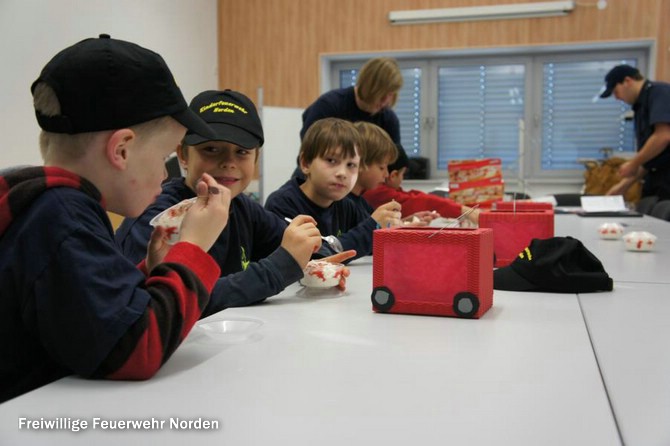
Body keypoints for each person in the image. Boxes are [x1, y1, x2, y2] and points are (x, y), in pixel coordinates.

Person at [0, 34, 234, 403]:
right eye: (163, 158)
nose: (165, 174)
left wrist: (155, 272)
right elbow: (134, 348)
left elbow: (86, 315)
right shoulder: (61, 218)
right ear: (122, 150)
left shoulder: (47, 204)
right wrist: (192, 249)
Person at [116, 89, 351, 311]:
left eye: (242, 152)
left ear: (256, 159)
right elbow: (172, 307)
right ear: (183, 155)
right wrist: (281, 267)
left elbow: (298, 248)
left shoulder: (243, 207)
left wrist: (317, 262)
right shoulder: (158, 220)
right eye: (211, 149)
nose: (229, 162)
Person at [265, 118, 402, 260]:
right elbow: (311, 260)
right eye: (331, 161)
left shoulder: (346, 205)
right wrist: (372, 227)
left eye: (351, 165)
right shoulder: (282, 204)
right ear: (305, 163)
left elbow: (373, 246)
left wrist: (390, 227)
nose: (342, 173)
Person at [292, 57, 404, 180]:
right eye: (383, 94)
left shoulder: (388, 119)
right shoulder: (329, 105)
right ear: (370, 86)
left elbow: (394, 162)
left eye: (391, 94)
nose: (386, 100)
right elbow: (310, 152)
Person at [363, 143, 480, 225]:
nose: (385, 174)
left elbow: (409, 195)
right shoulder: (375, 191)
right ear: (393, 175)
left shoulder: (378, 190)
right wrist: (461, 209)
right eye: (402, 174)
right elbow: (414, 200)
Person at [601, 65, 670, 200]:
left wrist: (633, 163)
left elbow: (663, 136)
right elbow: (650, 156)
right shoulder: (639, 107)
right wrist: (623, 186)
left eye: (616, 91)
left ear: (627, 81)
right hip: (654, 179)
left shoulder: (659, 92)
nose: (617, 98)